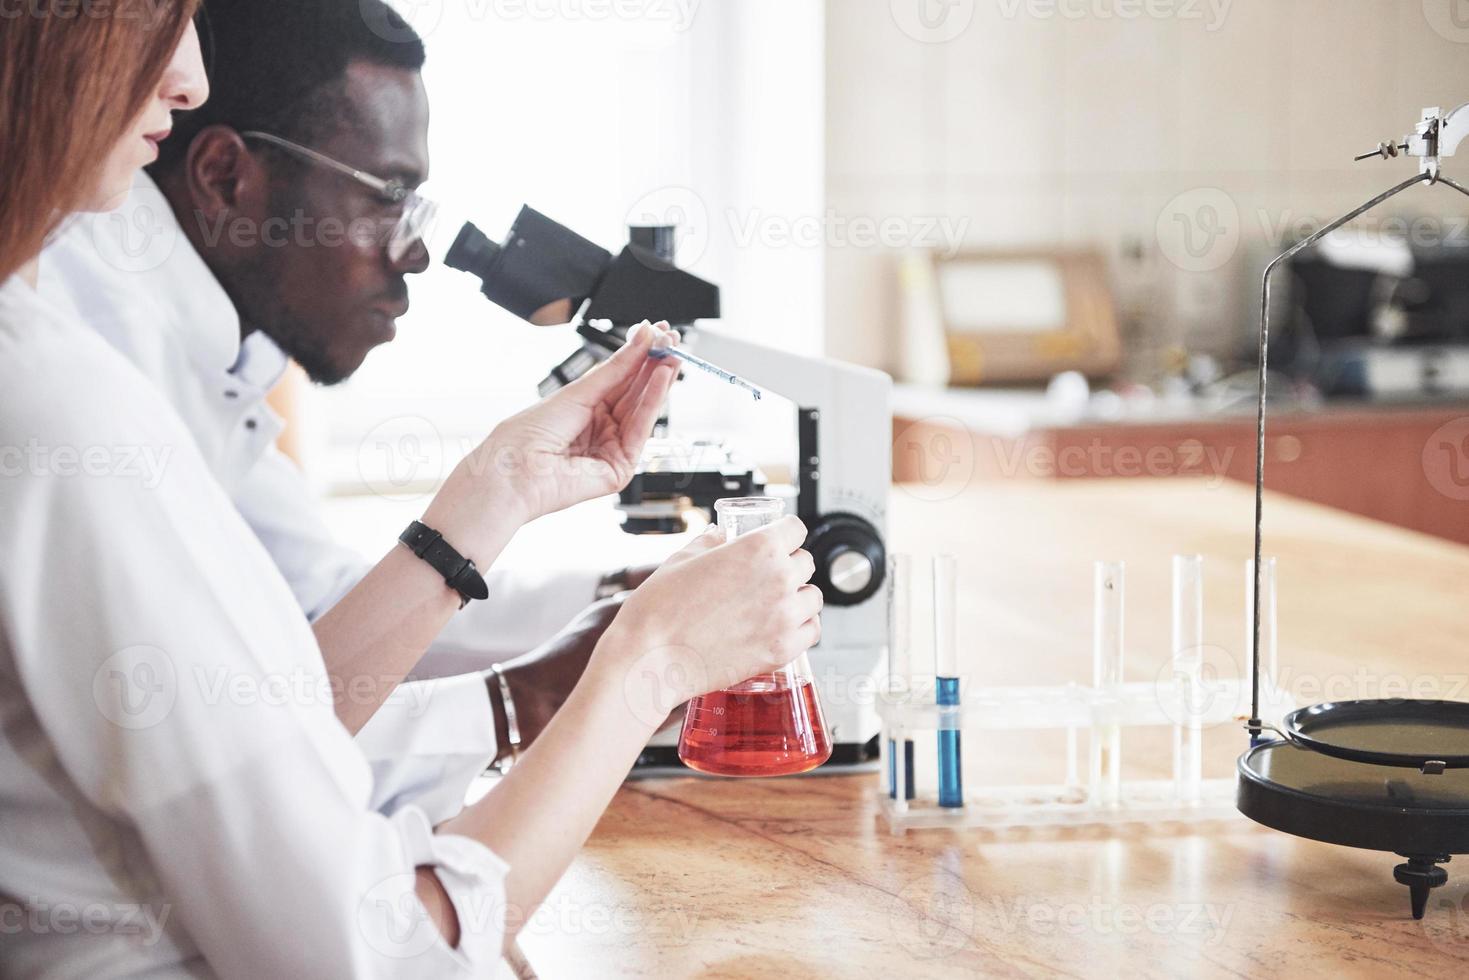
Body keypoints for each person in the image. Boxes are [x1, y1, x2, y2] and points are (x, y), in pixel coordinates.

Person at [0, 3, 823, 974]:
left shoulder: (57, 356)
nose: (188, 78)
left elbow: (262, 712)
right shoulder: (69, 400)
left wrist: (496, 492)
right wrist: (645, 664)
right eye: (163, 15)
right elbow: (378, 951)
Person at [39, 0, 654, 771]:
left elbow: (316, 608)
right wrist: (529, 698)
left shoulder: (208, 347)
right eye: (387, 195)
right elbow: (219, 748)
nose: (419, 256)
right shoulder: (92, 356)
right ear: (226, 176)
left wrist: (618, 594)